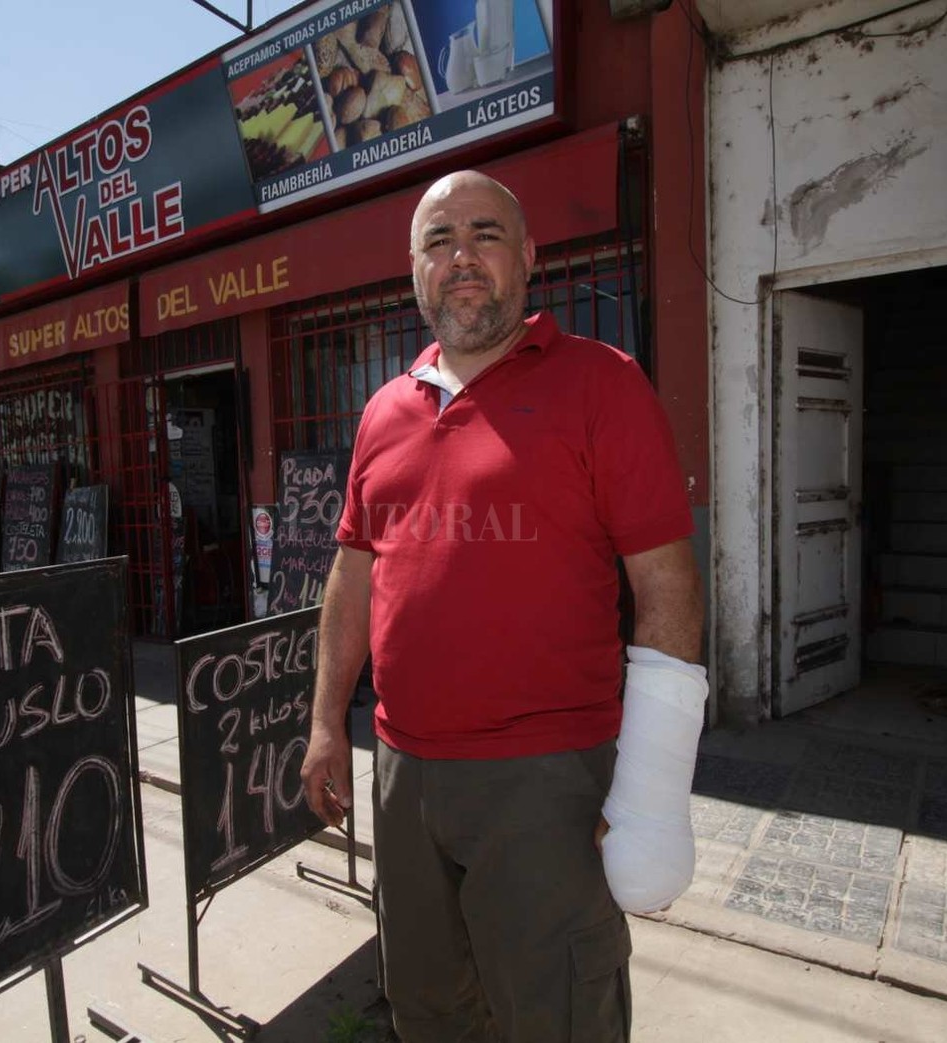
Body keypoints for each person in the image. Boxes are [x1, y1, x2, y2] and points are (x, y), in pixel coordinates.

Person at [301, 170, 705, 1043]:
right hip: (402, 774)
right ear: (414, 270)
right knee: (428, 1012)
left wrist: (649, 785)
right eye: (438, 240)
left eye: (484, 234)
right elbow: (353, 573)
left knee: (556, 1018)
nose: (461, 257)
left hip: (546, 782)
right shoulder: (383, 411)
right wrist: (327, 720)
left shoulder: (602, 383)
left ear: (527, 258)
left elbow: (667, 588)